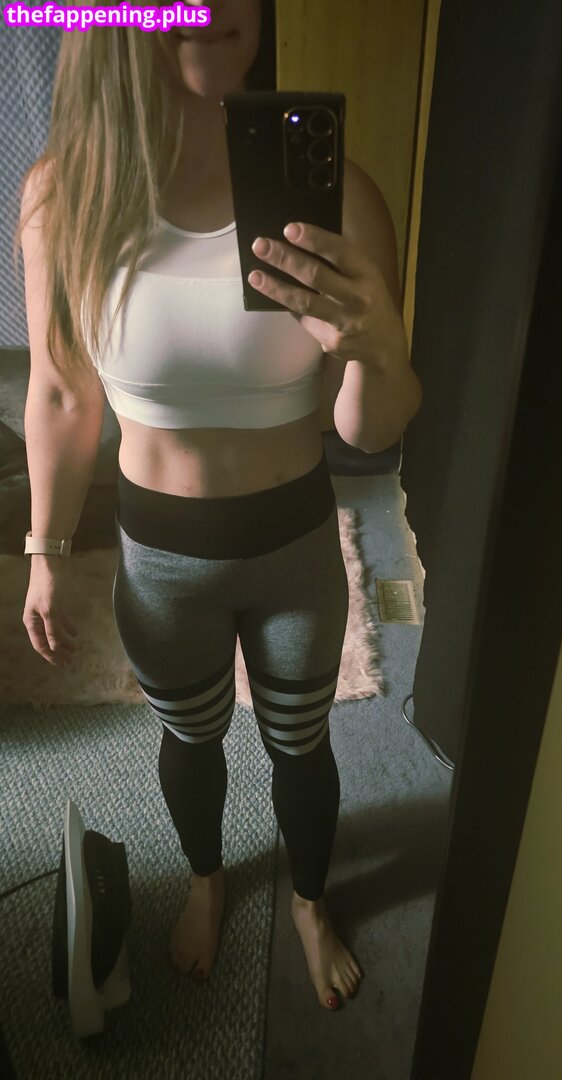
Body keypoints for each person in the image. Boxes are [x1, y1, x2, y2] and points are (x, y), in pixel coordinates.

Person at [19, 0, 422, 1013]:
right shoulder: (64, 196)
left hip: (294, 546)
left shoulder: (338, 195)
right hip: (161, 561)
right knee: (191, 740)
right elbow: (61, 393)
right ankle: (207, 881)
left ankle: (310, 904)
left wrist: (379, 350)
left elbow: (370, 427)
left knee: (302, 743)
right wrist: (45, 549)